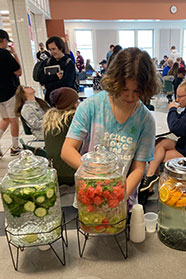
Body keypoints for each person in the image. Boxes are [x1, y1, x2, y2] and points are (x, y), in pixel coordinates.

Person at [61, 47, 160, 206]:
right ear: (115, 82)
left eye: (137, 91)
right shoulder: (91, 106)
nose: (130, 96)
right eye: (125, 89)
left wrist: (118, 196)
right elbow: (67, 151)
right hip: (90, 193)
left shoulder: (146, 120)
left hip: (123, 198)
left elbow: (138, 168)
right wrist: (96, 175)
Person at [139, 72, 186, 193]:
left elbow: (176, 128)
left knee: (154, 157)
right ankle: (150, 181)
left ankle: (148, 181)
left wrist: (172, 109)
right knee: (158, 143)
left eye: (179, 96)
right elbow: (179, 123)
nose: (177, 99)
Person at [43, 87, 79, 186]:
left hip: (54, 170)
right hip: (73, 172)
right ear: (73, 103)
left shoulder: (49, 119)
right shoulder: (73, 119)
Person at [0, 29, 22, 156]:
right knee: (14, 119)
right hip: (9, 91)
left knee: (5, 118)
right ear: (4, 40)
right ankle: (15, 147)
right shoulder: (5, 54)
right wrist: (15, 55)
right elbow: (18, 71)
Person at [38, 36, 76, 105]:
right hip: (49, 100)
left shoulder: (69, 63)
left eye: (54, 49)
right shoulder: (47, 62)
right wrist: (55, 77)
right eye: (50, 50)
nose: (52, 52)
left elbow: (66, 84)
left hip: (64, 100)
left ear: (60, 48)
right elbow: (41, 79)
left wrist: (49, 84)